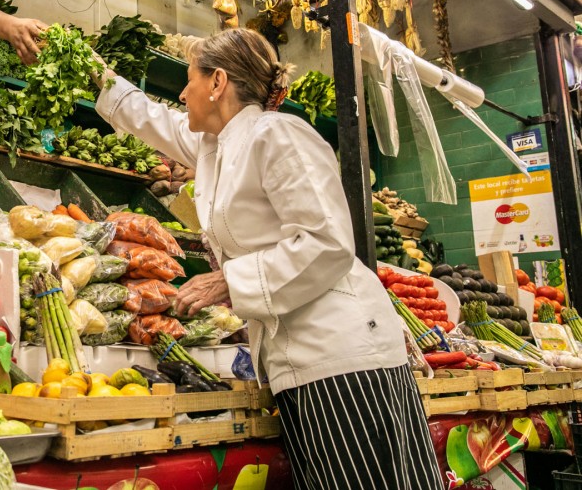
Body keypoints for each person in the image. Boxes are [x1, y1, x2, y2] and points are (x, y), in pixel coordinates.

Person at [92, 28, 442, 490]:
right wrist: (95, 73)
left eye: (189, 79)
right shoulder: (217, 146)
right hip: (296, 362)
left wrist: (226, 282)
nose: (181, 92)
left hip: (343, 357)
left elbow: (327, 241)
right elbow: (153, 119)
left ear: (217, 83)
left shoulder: (278, 135)